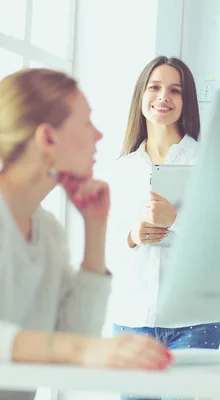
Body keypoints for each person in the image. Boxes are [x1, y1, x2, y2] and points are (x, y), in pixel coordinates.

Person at [0, 68, 172, 400]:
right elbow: (77, 347)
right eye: (86, 123)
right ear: (48, 139)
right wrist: (80, 349)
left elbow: (76, 335)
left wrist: (96, 227)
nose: (98, 136)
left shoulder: (47, 231)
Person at [106, 56, 220, 399]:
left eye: (175, 90)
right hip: (132, 319)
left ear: (186, 102)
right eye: (154, 87)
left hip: (194, 320)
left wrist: (177, 221)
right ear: (141, 94)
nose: (163, 96)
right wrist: (132, 236)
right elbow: (104, 248)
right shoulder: (121, 170)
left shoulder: (209, 164)